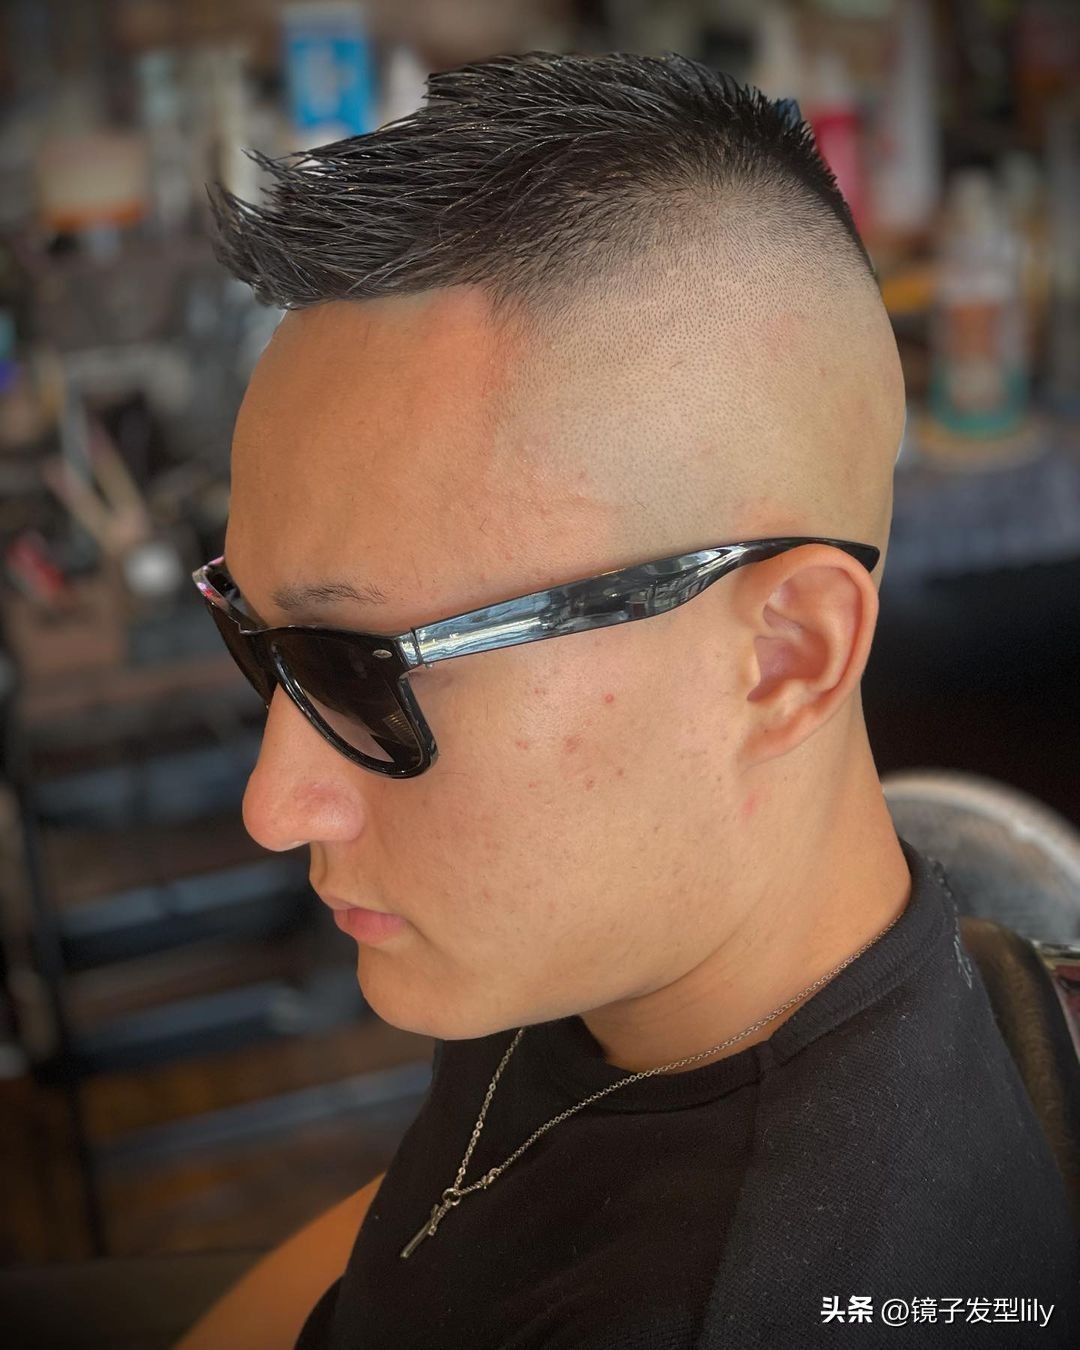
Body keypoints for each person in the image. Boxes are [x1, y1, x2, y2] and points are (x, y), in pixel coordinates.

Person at [175, 51, 1079, 1350]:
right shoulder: (615, 955)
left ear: (785, 656)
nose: (276, 804)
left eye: (362, 668)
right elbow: (425, 1222)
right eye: (257, 637)